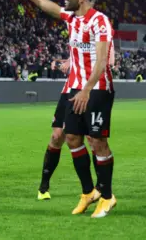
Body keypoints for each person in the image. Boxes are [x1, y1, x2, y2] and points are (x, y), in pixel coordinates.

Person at [11, 0, 116, 218]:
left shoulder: (99, 20)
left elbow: (102, 61)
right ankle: (87, 192)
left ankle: (107, 196)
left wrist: (86, 89)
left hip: (97, 88)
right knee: (71, 138)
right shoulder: (72, 18)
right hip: (75, 88)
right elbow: (39, 1)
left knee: (97, 141)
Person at [37, 41, 115, 200]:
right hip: (69, 90)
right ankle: (43, 186)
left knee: (93, 139)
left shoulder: (102, 34)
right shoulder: (77, 33)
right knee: (57, 136)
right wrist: (64, 62)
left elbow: (110, 61)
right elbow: (73, 57)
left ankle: (99, 188)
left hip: (91, 91)